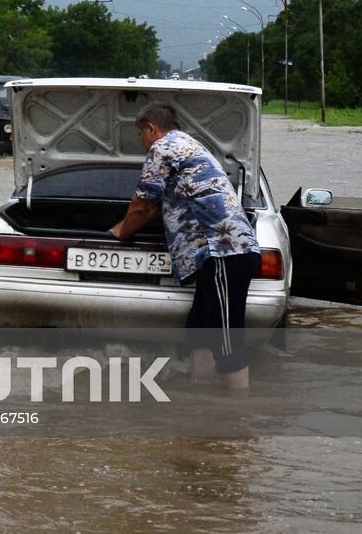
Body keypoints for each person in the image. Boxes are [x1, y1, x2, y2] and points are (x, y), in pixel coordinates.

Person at [108, 102, 260, 390]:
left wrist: (120, 231)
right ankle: (200, 399)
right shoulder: (188, 145)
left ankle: (239, 421)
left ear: (151, 128)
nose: (143, 143)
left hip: (224, 250)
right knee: (200, 328)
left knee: (226, 337)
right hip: (216, 253)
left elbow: (142, 203)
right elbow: (164, 203)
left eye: (142, 135)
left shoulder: (163, 147)